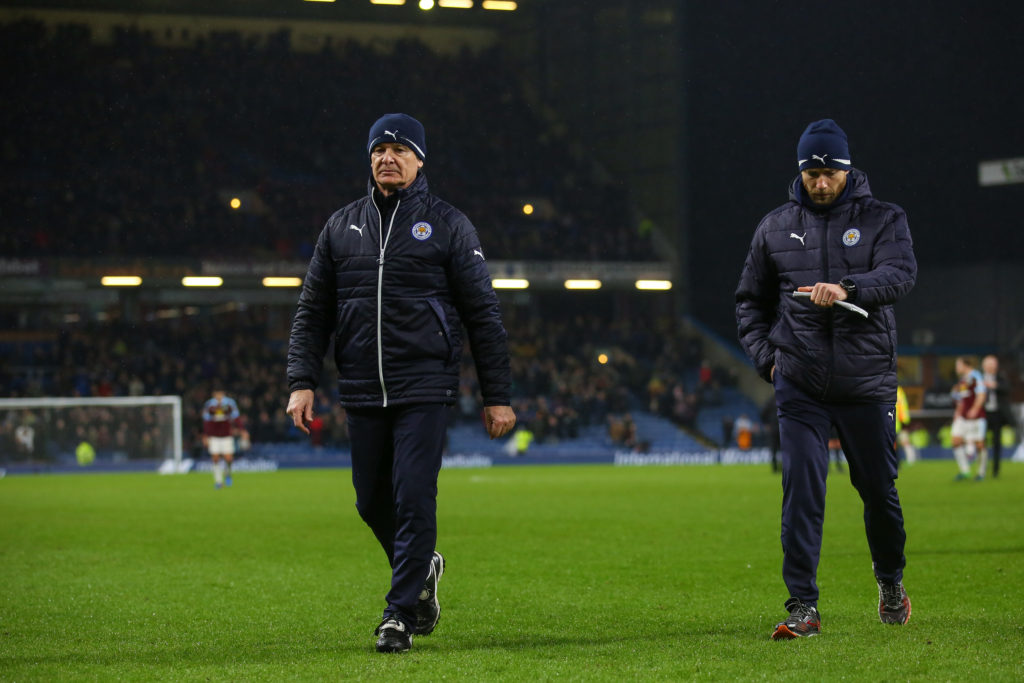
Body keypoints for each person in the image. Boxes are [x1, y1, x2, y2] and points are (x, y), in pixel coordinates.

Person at [285, 113, 516, 654]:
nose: (388, 158)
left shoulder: (449, 225)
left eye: (400, 149)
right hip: (362, 387)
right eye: (379, 149)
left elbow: (483, 314)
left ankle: (398, 615)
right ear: (369, 159)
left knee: (413, 497)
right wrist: (301, 381)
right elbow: (312, 310)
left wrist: (496, 395)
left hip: (425, 386)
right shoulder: (341, 226)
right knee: (370, 502)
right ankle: (424, 568)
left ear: (420, 160)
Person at [735, 119, 917, 639]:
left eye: (829, 172)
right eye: (811, 173)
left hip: (866, 384)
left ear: (846, 169)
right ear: (800, 171)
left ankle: (890, 582)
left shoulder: (885, 219)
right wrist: (767, 359)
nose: (820, 183)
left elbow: (901, 274)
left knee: (879, 491)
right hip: (800, 381)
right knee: (802, 491)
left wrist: (848, 287)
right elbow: (749, 300)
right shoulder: (774, 227)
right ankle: (803, 607)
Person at [950, 356, 988, 481]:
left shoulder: (976, 376)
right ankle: (965, 471)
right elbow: (962, 399)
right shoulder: (963, 380)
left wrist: (975, 409)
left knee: (980, 444)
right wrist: (957, 413)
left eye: (958, 365)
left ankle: (981, 473)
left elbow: (981, 394)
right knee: (955, 440)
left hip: (977, 417)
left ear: (966, 365)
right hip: (963, 417)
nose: (957, 368)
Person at [202, 389, 241, 489]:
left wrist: (242, 430)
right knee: (215, 458)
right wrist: (205, 435)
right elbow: (206, 420)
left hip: (226, 435)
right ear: (214, 394)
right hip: (214, 436)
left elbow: (236, 417)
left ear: (223, 394)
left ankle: (227, 473)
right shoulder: (209, 405)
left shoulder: (230, 403)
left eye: (220, 393)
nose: (218, 396)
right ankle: (218, 482)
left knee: (228, 458)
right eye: (216, 394)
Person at [982, 355, 1012, 478]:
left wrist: (995, 386)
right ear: (984, 366)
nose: (990, 366)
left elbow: (1008, 388)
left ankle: (996, 470)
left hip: (998, 414)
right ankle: (981, 468)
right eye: (988, 364)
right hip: (983, 413)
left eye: (992, 364)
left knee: (996, 442)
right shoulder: (979, 378)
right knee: (981, 442)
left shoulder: (1001, 377)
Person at [895, 386, 916, 465]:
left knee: (902, 441)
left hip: (896, 422)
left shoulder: (897, 390)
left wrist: (904, 419)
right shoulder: (898, 390)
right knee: (902, 441)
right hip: (897, 421)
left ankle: (910, 459)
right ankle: (910, 459)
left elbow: (902, 405)